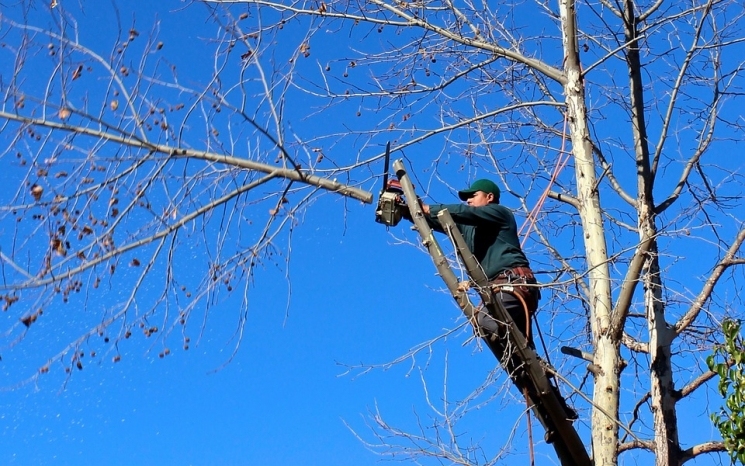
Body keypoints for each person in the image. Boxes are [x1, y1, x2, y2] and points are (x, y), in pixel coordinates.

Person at [416, 179, 540, 343]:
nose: (468, 200)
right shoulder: (469, 227)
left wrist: (428, 208)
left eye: (473, 196)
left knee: (485, 322)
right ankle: (531, 366)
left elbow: (464, 212)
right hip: (499, 290)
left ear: (489, 197)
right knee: (518, 356)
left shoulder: (499, 213)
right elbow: (439, 220)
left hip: (514, 283)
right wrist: (410, 209)